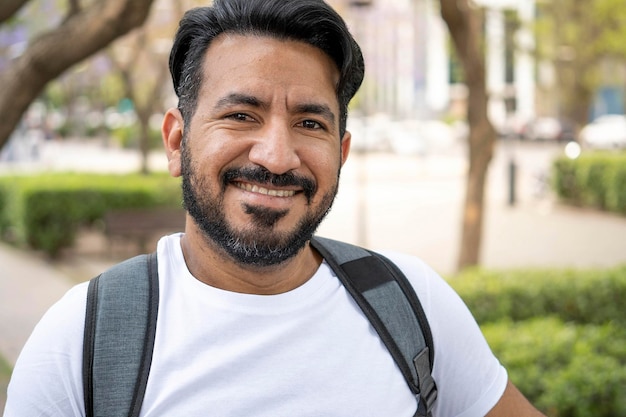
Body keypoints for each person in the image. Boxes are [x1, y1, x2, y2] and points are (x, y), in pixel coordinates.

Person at [4, 0, 546, 416]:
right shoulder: (83, 340)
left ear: (341, 152)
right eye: (241, 115)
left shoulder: (412, 304)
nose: (277, 157)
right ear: (176, 142)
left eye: (311, 124)